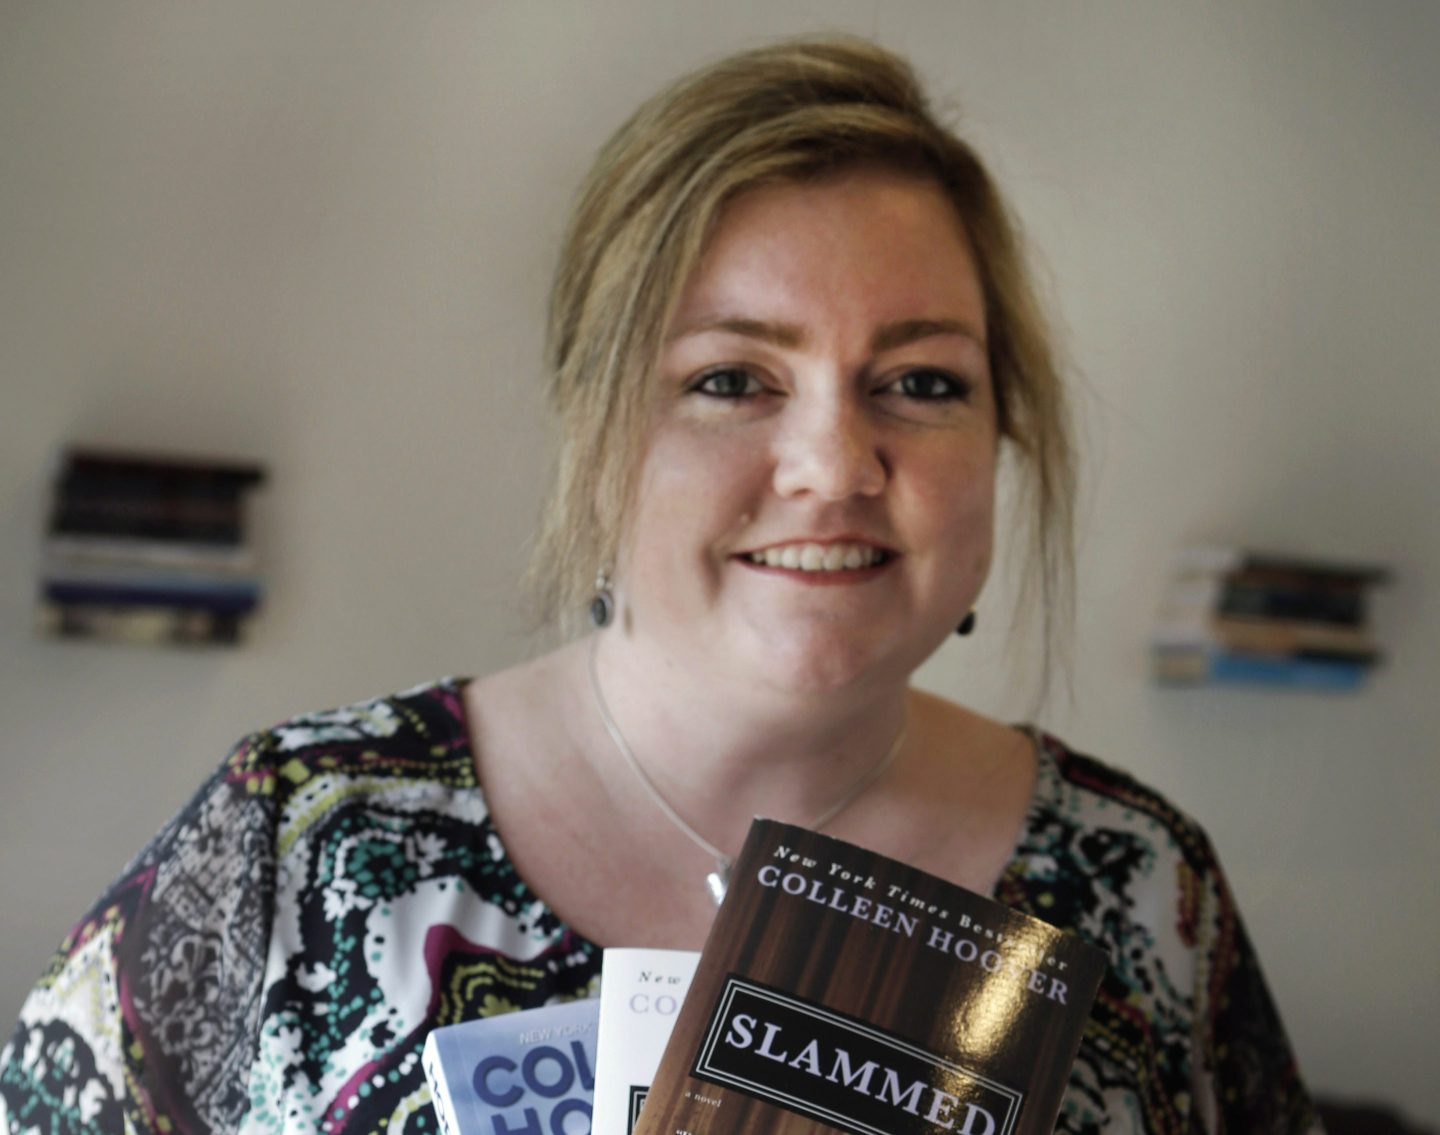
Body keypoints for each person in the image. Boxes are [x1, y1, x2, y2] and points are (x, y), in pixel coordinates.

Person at [1, 36, 1320, 1135]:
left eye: (921, 383)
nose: (834, 466)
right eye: (731, 379)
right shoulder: (299, 840)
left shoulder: (1146, 888)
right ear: (596, 429)